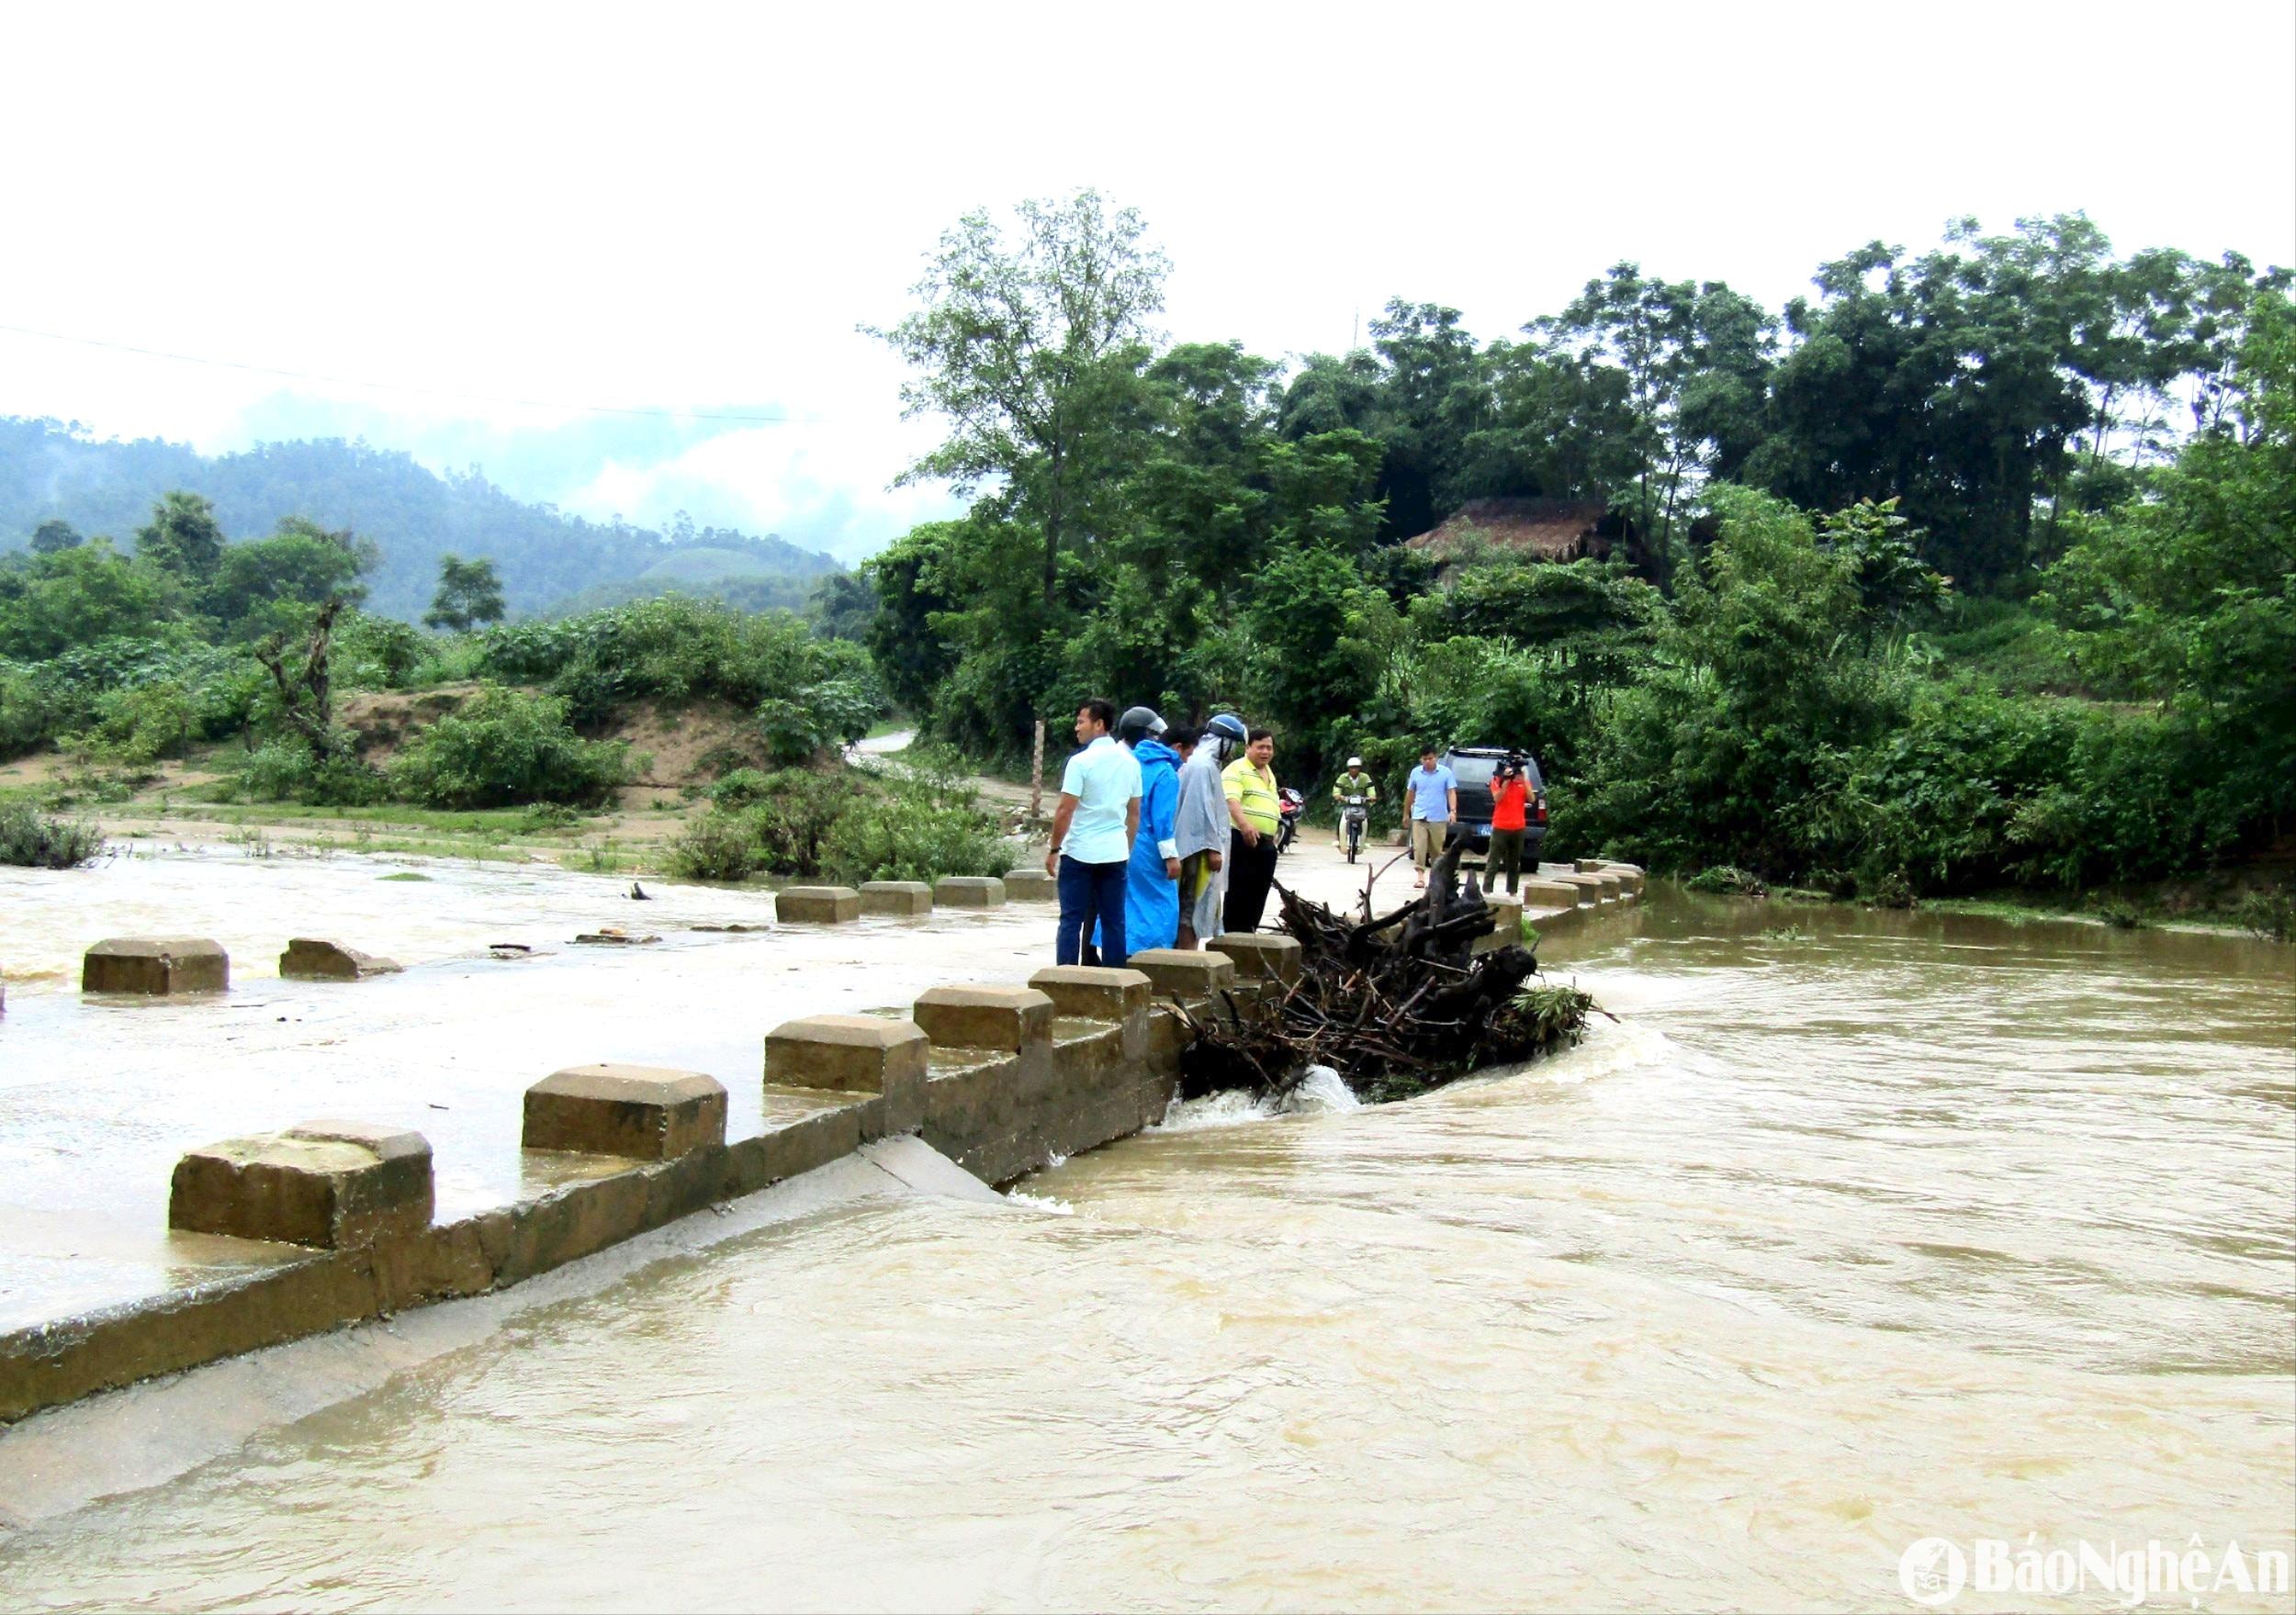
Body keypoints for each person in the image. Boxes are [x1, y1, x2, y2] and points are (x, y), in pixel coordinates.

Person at [1045, 699, 1142, 968]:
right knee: (1114, 921)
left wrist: (1054, 849)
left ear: (1099, 725)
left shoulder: (1080, 762)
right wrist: (1126, 848)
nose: (1077, 728)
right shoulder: (1131, 763)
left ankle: (1064, 980)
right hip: (1115, 853)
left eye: (1081, 721)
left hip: (1079, 853)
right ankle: (1115, 983)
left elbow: (1065, 810)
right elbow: (1134, 813)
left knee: (1071, 920)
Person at [1088, 707, 1182, 958]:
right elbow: (1162, 821)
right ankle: (1152, 957)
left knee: (1125, 902)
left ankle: (1117, 956)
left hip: (1122, 842)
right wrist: (1171, 857)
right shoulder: (1166, 772)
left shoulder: (1124, 764)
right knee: (1163, 904)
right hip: (1150, 848)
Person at [1173, 713, 1245, 948]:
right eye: (1232, 745)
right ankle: (1186, 961)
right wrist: (1214, 848)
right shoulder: (1202, 765)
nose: (1232, 751)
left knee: (1195, 906)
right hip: (1198, 849)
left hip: (1197, 845)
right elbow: (1200, 810)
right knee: (1192, 907)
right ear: (1222, 741)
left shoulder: (1202, 762)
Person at [1222, 727, 1281, 933]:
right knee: (1239, 894)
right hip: (1242, 839)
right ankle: (1232, 940)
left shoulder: (1269, 772)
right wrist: (1245, 825)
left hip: (1265, 844)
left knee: (1258, 895)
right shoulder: (1236, 769)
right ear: (1248, 748)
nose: (1265, 752)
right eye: (1260, 747)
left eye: (1269, 748)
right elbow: (1231, 800)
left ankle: (1249, 936)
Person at [1402, 746, 1457, 891]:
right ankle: (1420, 876)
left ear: (1436, 758)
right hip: (1420, 815)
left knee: (1436, 849)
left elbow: (1451, 792)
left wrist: (1453, 811)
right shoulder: (1416, 773)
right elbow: (1410, 794)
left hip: (1438, 816)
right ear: (1421, 759)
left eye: (1430, 759)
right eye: (1425, 759)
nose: (1428, 762)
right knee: (1419, 847)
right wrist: (1406, 814)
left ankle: (1435, 877)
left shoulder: (1446, 773)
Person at [1488, 754, 1529, 896]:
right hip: (1500, 826)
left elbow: (1531, 798)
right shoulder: (1496, 781)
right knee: (1493, 861)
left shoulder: (1522, 781)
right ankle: (1487, 891)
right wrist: (1505, 780)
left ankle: (1512, 892)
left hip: (1518, 826)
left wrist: (1524, 780)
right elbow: (1497, 798)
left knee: (1514, 863)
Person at [1331, 755, 1378, 852]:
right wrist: (1338, 795)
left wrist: (1372, 796)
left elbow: (1370, 789)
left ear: (1360, 768)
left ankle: (1364, 840)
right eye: (1352, 767)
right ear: (1349, 769)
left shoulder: (1365, 777)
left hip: (1362, 803)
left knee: (1367, 818)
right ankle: (1338, 839)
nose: (1354, 770)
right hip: (1346, 803)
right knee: (1340, 816)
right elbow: (1337, 788)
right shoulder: (1343, 777)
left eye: (1356, 767)